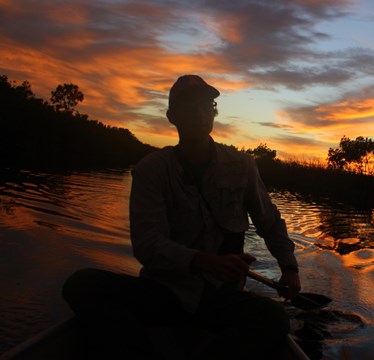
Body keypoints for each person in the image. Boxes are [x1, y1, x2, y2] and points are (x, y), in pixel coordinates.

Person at [62, 74, 301, 359]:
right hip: (164, 292)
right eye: (189, 107)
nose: (199, 114)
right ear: (171, 116)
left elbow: (269, 221)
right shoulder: (151, 169)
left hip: (220, 297)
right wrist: (203, 261)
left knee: (274, 318)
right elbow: (147, 244)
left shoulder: (242, 165)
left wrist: (289, 268)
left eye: (206, 106)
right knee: (81, 283)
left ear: (214, 113)